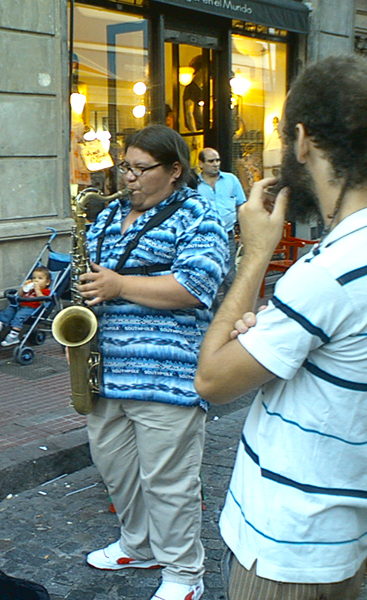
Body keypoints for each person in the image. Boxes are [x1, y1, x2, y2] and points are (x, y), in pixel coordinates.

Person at [194, 55, 367, 600]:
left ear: (302, 140)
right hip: (344, 537)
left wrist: (256, 255)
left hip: (287, 546)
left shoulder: (330, 271)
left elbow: (213, 380)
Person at [78, 125, 227, 600]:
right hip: (107, 370)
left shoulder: (199, 216)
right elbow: (93, 276)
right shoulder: (107, 216)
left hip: (167, 373)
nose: (130, 178)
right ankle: (138, 544)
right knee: (116, 469)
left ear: (174, 171)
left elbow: (194, 287)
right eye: (126, 167)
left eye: (142, 169)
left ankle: (184, 575)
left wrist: (119, 286)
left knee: (169, 481)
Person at [196, 147, 247, 305]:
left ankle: (229, 314)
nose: (216, 164)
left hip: (227, 235)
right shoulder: (194, 185)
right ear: (201, 164)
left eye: (217, 160)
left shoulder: (231, 180)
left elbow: (242, 207)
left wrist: (244, 233)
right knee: (207, 276)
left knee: (230, 276)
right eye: (211, 161)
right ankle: (211, 316)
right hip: (203, 238)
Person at [0, 266, 51, 347]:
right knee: (10, 309)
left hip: (32, 309)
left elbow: (43, 301)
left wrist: (37, 290)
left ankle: (13, 336)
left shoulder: (45, 291)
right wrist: (23, 288)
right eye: (34, 278)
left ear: (47, 282)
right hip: (21, 305)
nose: (36, 280)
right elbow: (19, 295)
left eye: (40, 278)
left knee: (19, 316)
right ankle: (1, 323)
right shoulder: (30, 289)